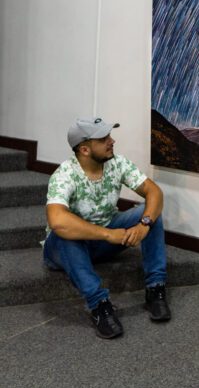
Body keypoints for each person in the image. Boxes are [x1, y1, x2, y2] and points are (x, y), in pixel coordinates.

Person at [43, 116, 171, 339]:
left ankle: (155, 288)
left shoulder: (117, 163)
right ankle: (99, 305)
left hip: (104, 240)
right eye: (103, 139)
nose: (111, 141)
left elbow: (154, 192)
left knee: (150, 212)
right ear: (84, 149)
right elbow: (57, 219)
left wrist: (145, 224)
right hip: (65, 250)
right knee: (62, 232)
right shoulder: (64, 175)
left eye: (109, 136)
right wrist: (108, 234)